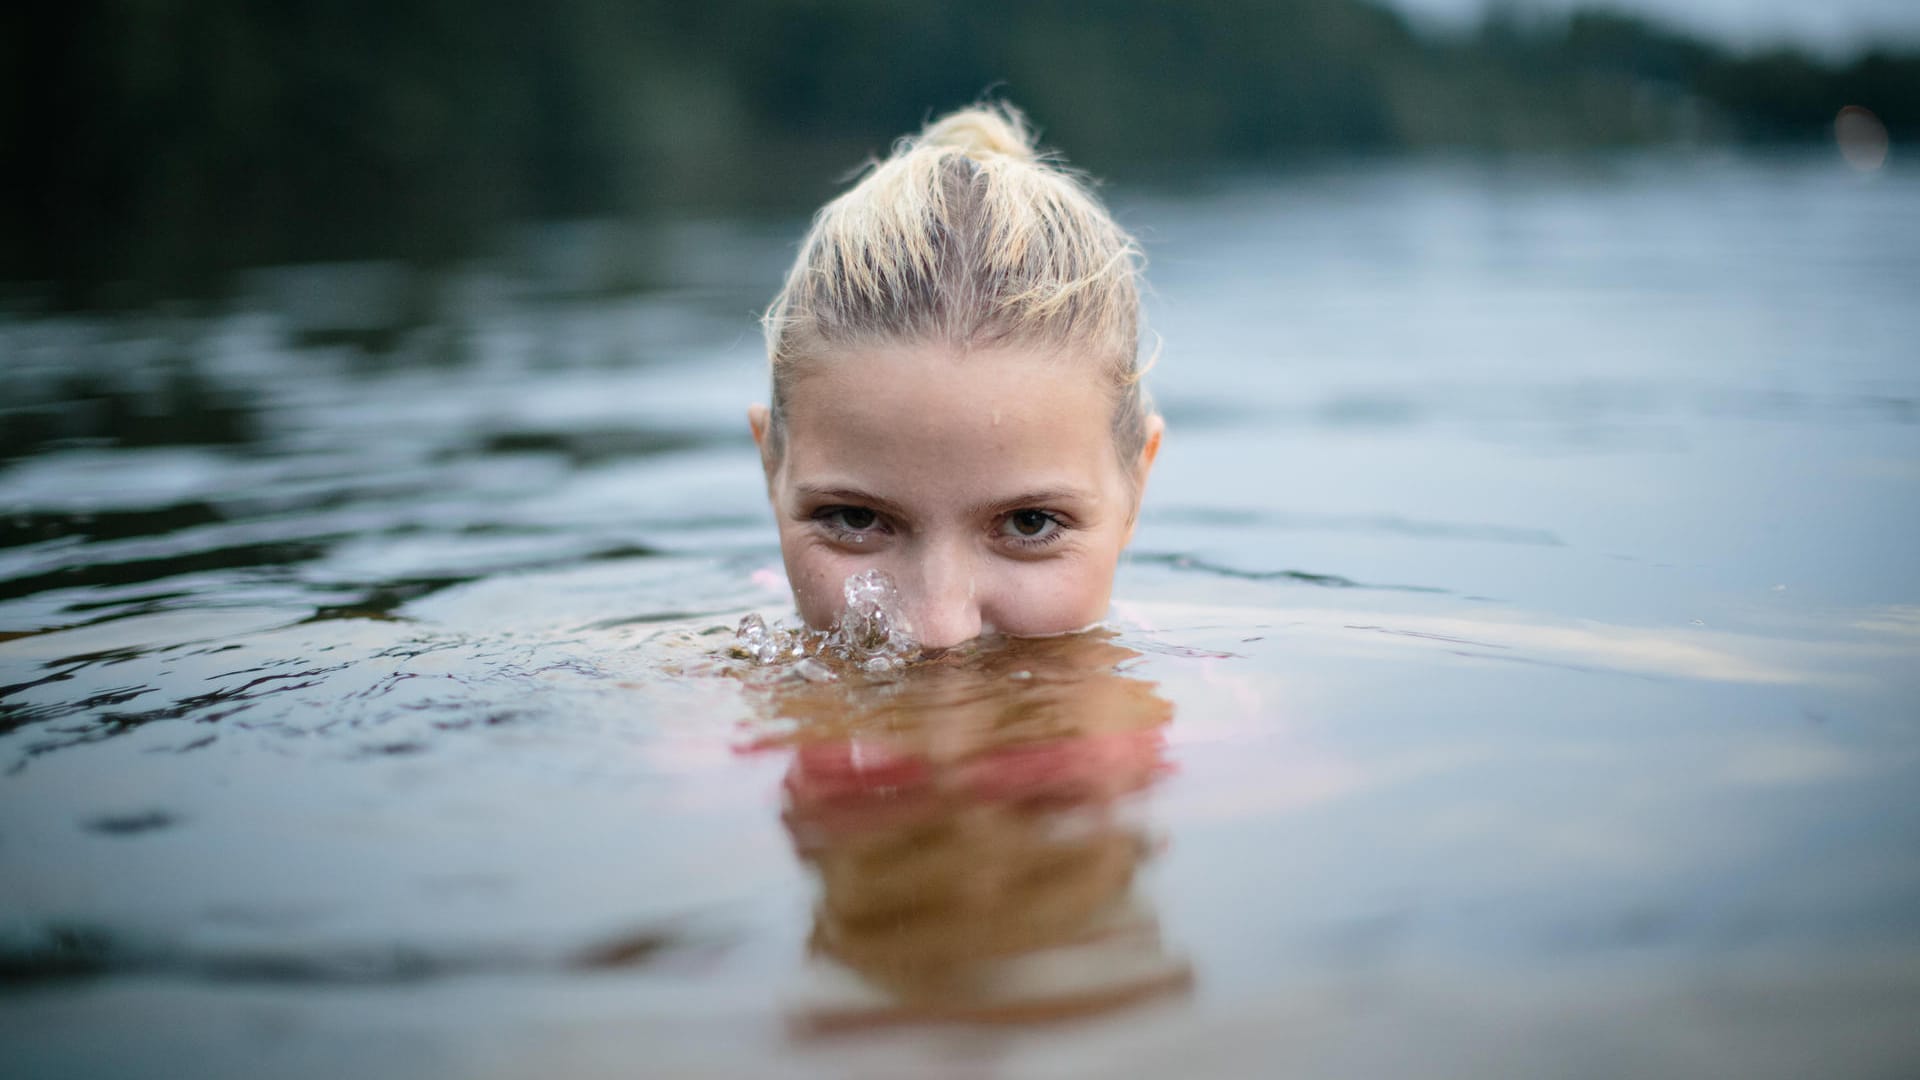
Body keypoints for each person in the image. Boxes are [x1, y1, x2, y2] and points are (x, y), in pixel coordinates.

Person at [750, 102, 1164, 651]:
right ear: (771, 469)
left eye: (1030, 523)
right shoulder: (697, 719)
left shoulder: (1228, 721)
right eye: (853, 518)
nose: (937, 631)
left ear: (1135, 486)